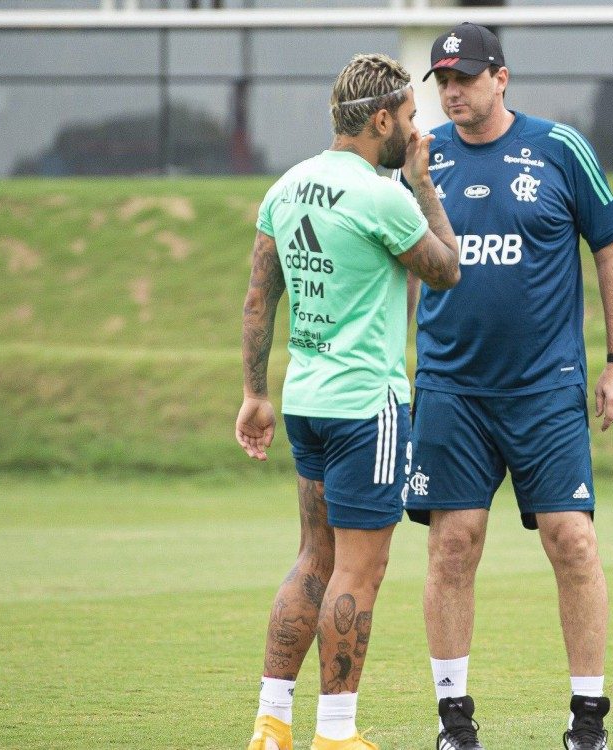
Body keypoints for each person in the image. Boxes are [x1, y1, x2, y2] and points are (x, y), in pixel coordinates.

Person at [403, 23, 613, 750]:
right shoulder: (421, 160)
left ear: (501, 78)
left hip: (545, 390)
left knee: (574, 542)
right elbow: (394, 263)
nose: (451, 91)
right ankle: (454, 723)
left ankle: (588, 723)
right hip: (451, 388)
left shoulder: (561, 149)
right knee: (454, 546)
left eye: (465, 77)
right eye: (442, 80)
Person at [236, 53, 459, 750]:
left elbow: (257, 298)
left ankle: (272, 723)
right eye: (413, 119)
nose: (418, 132)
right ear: (382, 118)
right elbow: (447, 268)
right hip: (368, 406)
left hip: (305, 400)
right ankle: (336, 734)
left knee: (313, 558)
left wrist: (253, 394)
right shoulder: (382, 193)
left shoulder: (288, 186)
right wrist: (423, 189)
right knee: (362, 568)